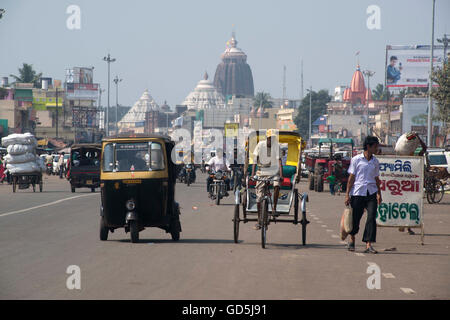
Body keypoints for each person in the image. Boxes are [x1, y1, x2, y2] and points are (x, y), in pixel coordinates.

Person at [345, 136, 382, 254]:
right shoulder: (356, 160)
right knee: (356, 217)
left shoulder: (375, 161)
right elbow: (351, 178)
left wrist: (379, 193)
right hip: (358, 192)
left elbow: (377, 178)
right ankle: (352, 238)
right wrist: (347, 195)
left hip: (371, 192)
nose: (377, 148)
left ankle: (368, 244)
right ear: (368, 146)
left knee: (371, 217)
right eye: (375, 146)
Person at [251, 129, 283, 230]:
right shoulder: (260, 145)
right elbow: (255, 160)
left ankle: (274, 208)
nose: (271, 140)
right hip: (261, 172)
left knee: (277, 185)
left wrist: (281, 175)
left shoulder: (276, 146)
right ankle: (259, 219)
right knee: (259, 198)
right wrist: (252, 174)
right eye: (270, 138)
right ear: (267, 138)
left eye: (273, 138)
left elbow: (279, 161)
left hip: (274, 171)